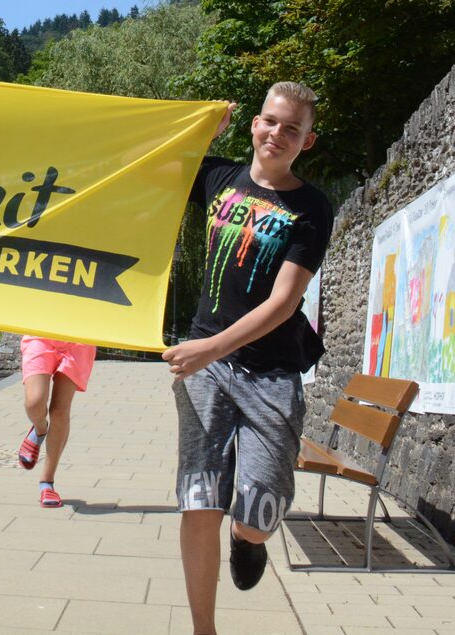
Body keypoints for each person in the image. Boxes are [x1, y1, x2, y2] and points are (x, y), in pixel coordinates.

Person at [160, 82, 332, 635]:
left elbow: (285, 303)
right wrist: (204, 130)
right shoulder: (217, 177)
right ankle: (203, 629)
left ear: (306, 142)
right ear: (255, 123)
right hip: (205, 371)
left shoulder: (310, 207)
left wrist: (210, 347)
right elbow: (153, 164)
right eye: (270, 121)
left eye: (291, 128)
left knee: (260, 510)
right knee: (199, 497)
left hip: (270, 375)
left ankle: (247, 540)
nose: (277, 134)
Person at [15, 335, 96, 507]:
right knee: (34, 403)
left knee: (60, 410)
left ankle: (47, 481)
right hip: (41, 332)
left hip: (79, 339)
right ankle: (40, 429)